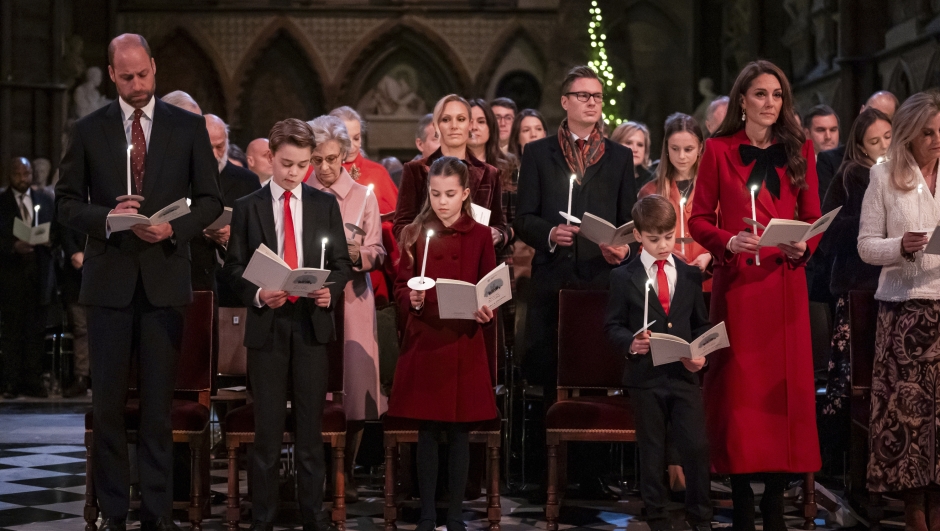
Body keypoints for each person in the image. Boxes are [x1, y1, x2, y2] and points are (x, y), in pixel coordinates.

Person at [55, 34, 223, 531]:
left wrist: (176, 227)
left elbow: (210, 200)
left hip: (164, 279)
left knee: (156, 409)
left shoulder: (188, 127)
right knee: (107, 407)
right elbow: (65, 202)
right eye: (125, 77)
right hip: (108, 284)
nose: (135, 85)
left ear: (154, 67)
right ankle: (112, 511)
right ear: (110, 74)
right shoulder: (89, 129)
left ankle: (156, 515)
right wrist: (107, 216)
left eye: (142, 75)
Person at [688, 59, 822, 531]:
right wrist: (727, 240)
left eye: (777, 95)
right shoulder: (719, 149)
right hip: (741, 287)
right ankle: (743, 502)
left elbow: (813, 216)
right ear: (741, 100)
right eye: (761, 94)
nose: (770, 103)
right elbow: (698, 218)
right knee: (740, 397)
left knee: (781, 397)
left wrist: (804, 243)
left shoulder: (801, 148)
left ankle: (776, 506)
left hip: (784, 285)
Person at [222, 118, 351, 531]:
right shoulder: (247, 206)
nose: (294, 173)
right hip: (269, 325)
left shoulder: (323, 204)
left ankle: (314, 517)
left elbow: (342, 264)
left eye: (302, 165)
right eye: (286, 164)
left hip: (311, 325)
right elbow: (235, 267)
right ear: (270, 159)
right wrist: (259, 293)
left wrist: (330, 288)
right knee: (267, 434)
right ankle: (263, 520)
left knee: (311, 433)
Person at [388, 156, 498, 531]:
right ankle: (428, 512)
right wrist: (412, 301)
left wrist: (487, 309)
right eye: (435, 194)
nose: (442, 201)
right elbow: (401, 286)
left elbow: (491, 286)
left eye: (450, 194)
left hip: (463, 342)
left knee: (460, 433)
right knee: (428, 432)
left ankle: (454, 515)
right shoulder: (416, 232)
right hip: (427, 341)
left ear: (465, 193)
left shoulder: (481, 235)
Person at [605, 195, 712, 531]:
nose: (664, 244)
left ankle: (701, 516)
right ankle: (656, 516)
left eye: (668, 236)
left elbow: (701, 323)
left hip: (683, 374)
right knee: (651, 450)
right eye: (654, 238)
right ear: (638, 235)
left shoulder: (690, 274)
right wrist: (631, 343)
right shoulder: (623, 277)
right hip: (645, 376)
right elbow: (612, 325)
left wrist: (702, 354)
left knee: (695, 445)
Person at [859, 90, 940, 528]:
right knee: (908, 419)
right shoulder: (885, 174)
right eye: (928, 132)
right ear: (908, 134)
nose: (937, 139)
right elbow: (866, 246)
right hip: (905, 312)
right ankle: (913, 510)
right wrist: (901, 246)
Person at [306, 114, 387, 504]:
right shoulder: (300, 191)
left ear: (346, 156)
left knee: (354, 392)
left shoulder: (362, 195)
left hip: (353, 300)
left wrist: (360, 254)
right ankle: (313, 472)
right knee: (315, 389)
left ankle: (347, 474)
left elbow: (377, 249)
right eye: (318, 159)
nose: (324, 168)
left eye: (332, 159)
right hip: (310, 299)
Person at [814, 108, 891, 464]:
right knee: (856, 380)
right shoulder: (851, 175)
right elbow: (826, 231)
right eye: (874, 141)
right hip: (859, 287)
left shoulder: (906, 174)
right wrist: (873, 220)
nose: (883, 146)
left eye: (888, 137)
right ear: (860, 145)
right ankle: (847, 460)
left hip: (896, 284)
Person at [393, 95, 508, 246]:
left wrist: (497, 235)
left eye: (461, 119)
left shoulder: (489, 173)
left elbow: (500, 225)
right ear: (436, 126)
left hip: (474, 262)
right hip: (431, 259)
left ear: (469, 125)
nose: (454, 126)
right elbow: (401, 227)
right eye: (446, 119)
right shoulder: (415, 170)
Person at [0, 157, 56, 399]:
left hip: (38, 273)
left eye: (27, 173)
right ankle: (12, 381)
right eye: (18, 174)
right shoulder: (2, 202)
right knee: (12, 331)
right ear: (9, 175)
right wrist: (13, 246)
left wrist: (49, 239)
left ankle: (34, 380)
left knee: (36, 331)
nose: (23, 178)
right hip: (11, 276)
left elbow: (57, 228)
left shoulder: (44, 199)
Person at [639, 113, 711, 281]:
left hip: (708, 281)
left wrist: (709, 256)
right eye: (675, 149)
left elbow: (726, 234)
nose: (681, 156)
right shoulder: (651, 191)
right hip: (666, 280)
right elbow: (640, 242)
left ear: (700, 147)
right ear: (666, 148)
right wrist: (662, 253)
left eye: (688, 149)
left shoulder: (713, 188)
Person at [202, 114, 262, 306]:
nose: (214, 154)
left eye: (219, 146)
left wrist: (232, 234)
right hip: (195, 275)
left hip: (234, 281)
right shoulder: (180, 179)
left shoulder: (247, 181)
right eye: (207, 146)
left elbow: (259, 231)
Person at [60, 222, 90, 398]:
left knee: (107, 329)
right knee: (81, 330)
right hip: (75, 280)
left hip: (105, 278)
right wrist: (73, 252)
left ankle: (103, 378)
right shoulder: (72, 205)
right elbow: (64, 232)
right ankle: (81, 377)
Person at [611, 121, 654, 189]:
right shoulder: (601, 177)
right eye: (628, 143)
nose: (635, 149)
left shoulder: (653, 182)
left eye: (640, 145)